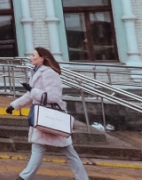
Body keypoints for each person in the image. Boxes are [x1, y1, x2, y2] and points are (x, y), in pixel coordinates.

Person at [6, 47, 88, 180]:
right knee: (40, 149)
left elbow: (53, 97)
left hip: (50, 117)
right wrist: (14, 106)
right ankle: (24, 177)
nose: (31, 57)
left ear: (42, 58)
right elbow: (31, 95)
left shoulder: (49, 73)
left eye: (33, 55)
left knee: (68, 151)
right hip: (42, 117)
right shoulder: (36, 72)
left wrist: (32, 91)